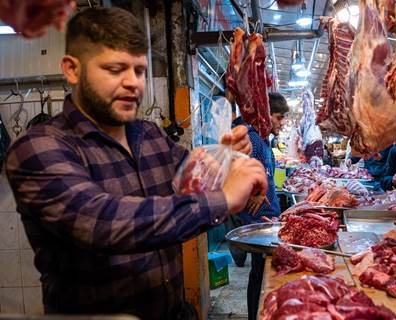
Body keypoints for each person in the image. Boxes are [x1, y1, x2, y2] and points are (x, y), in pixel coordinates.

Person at [5, 7, 267, 320]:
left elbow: (199, 184)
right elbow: (102, 223)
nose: (134, 83)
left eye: (140, 70)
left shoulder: (151, 136)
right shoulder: (38, 148)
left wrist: (231, 161)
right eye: (116, 69)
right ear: (72, 69)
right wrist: (225, 198)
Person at [228, 93, 289, 320]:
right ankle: (255, 315)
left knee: (261, 275)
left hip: (266, 218)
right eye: (279, 117)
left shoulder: (263, 139)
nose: (281, 123)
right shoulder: (252, 138)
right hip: (258, 221)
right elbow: (238, 171)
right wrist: (251, 193)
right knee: (259, 275)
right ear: (266, 114)